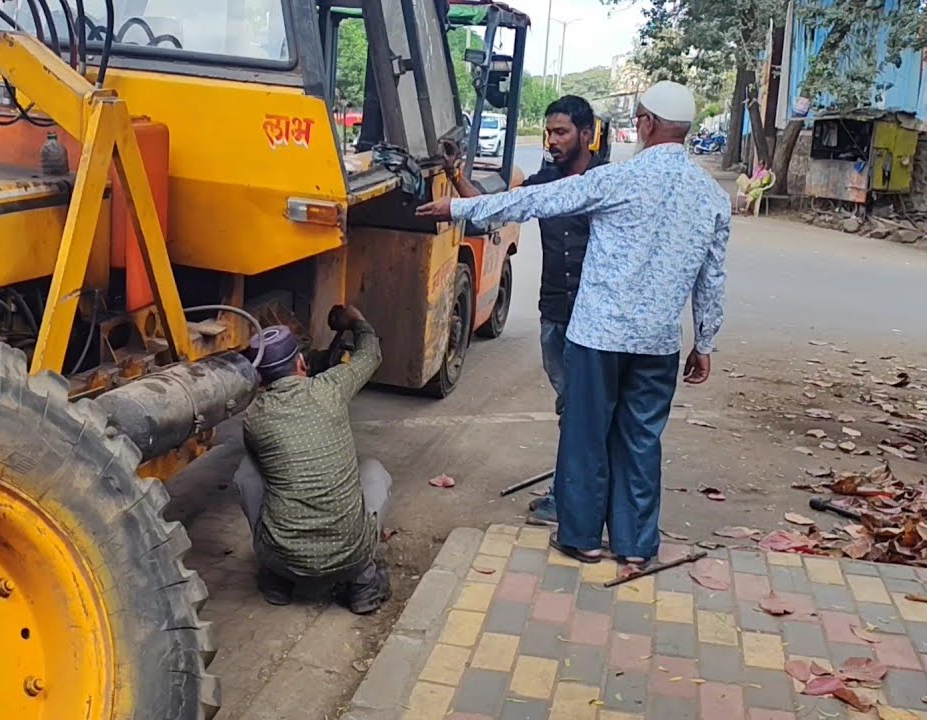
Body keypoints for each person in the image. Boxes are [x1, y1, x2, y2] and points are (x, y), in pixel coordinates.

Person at [416, 81, 731, 572]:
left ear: (645, 124)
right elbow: (712, 278)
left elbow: (528, 204)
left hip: (598, 337)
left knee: (585, 435)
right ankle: (634, 544)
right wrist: (704, 342)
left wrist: (456, 207)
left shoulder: (615, 182)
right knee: (642, 440)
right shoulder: (712, 197)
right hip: (658, 344)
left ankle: (582, 538)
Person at [442, 95, 607, 525]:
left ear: (586, 136)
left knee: (586, 409)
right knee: (570, 406)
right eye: (548, 133)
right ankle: (572, 493)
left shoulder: (609, 183)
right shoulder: (544, 182)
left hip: (597, 319)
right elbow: (490, 212)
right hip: (554, 313)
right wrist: (453, 175)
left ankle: (575, 501)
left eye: (561, 133)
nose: (551, 141)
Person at [234, 306, 393, 614]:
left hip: (283, 559)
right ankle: (363, 582)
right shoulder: (331, 388)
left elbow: (267, 467)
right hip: (350, 554)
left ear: (261, 380)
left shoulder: (254, 417)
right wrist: (357, 321)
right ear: (302, 363)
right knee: (374, 471)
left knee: (247, 473)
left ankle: (276, 580)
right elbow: (371, 355)